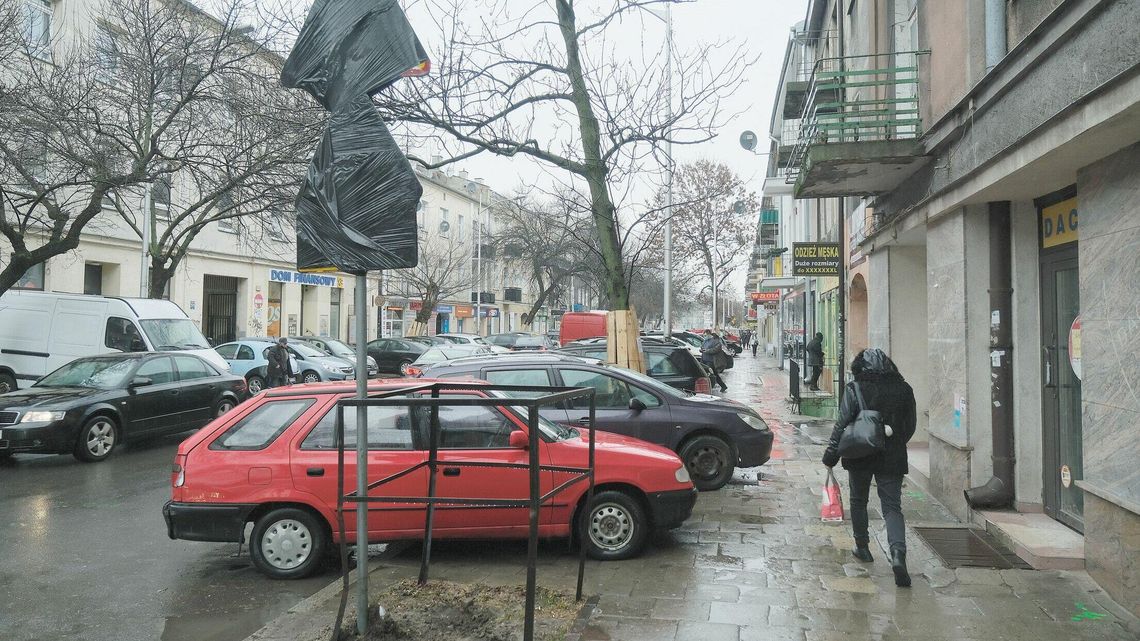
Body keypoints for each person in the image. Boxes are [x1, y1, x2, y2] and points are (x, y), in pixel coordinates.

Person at [822, 348, 917, 587]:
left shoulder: (854, 389)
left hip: (860, 454)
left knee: (858, 500)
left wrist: (830, 455)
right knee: (892, 507)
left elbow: (842, 424)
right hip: (892, 455)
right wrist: (893, 442)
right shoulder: (904, 389)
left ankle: (862, 546)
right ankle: (897, 554)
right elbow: (910, 426)